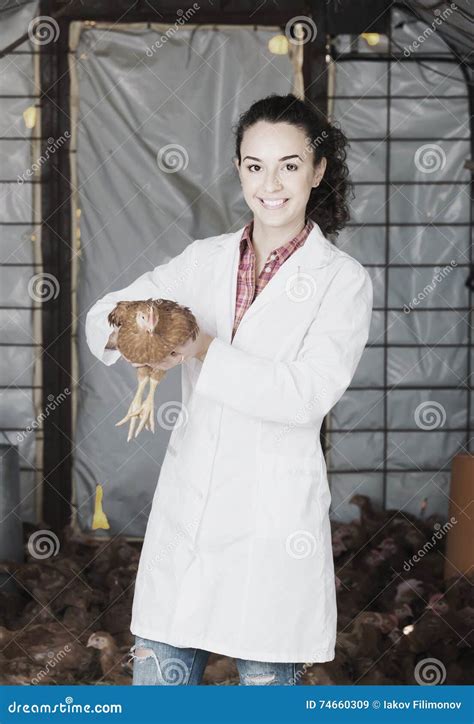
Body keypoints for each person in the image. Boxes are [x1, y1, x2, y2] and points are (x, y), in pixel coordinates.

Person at [85, 93, 373, 686]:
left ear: (317, 171)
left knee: (265, 695)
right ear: (239, 168)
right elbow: (103, 316)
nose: (271, 183)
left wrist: (201, 348)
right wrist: (142, 325)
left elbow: (304, 395)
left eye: (289, 165)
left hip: (273, 526)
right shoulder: (203, 261)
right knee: (161, 695)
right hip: (190, 514)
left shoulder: (341, 282)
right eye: (254, 164)